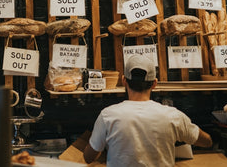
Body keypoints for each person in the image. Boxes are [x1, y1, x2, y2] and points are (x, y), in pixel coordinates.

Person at [83, 54, 212, 166]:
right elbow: (207, 142)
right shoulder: (173, 115)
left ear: (124, 81)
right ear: (154, 84)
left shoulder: (108, 116)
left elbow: (88, 158)